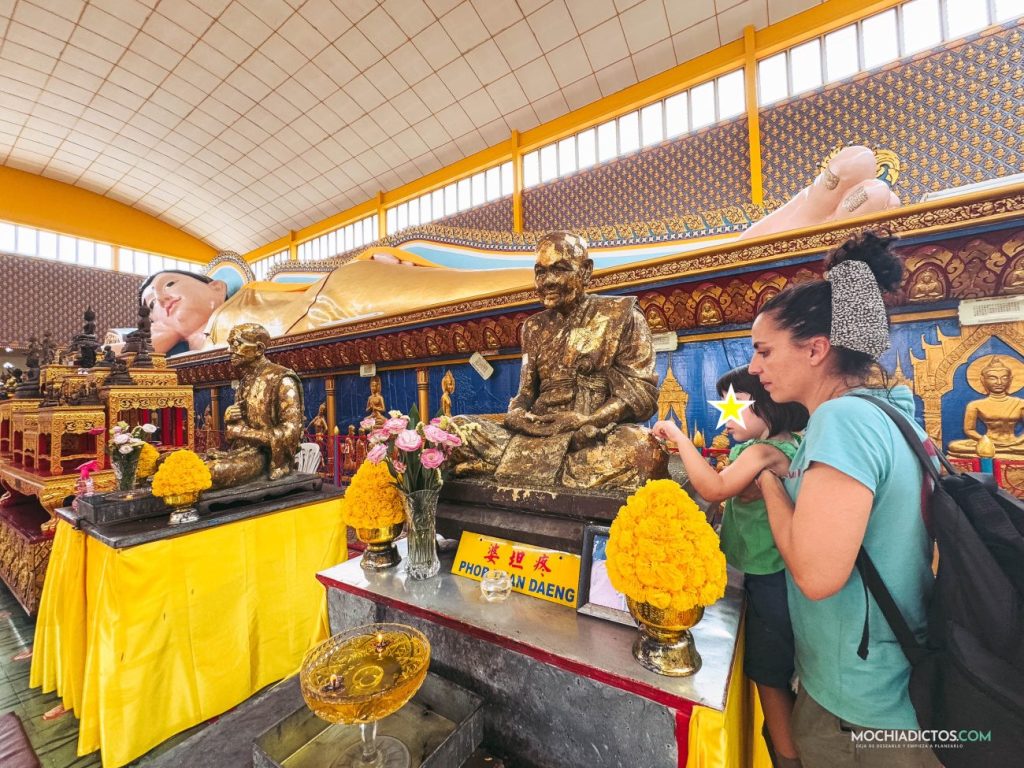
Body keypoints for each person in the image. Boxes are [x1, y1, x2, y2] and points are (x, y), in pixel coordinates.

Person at [747, 231, 939, 767]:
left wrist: (765, 474)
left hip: (863, 705)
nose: (756, 369)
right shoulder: (892, 407)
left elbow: (815, 573)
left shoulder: (843, 419)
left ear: (815, 349)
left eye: (764, 351)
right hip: (887, 679)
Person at [653, 367, 808, 768]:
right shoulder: (760, 450)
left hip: (770, 578)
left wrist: (678, 437)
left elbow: (715, 488)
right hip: (754, 576)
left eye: (733, 406)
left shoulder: (767, 450)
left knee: (770, 676)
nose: (726, 418)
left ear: (764, 406)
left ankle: (787, 757)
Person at [451, 231, 666, 489]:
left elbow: (641, 394)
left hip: (589, 436)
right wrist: (517, 414)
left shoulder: (621, 315)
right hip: (536, 434)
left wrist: (587, 420)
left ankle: (507, 464)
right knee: (456, 429)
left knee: (642, 450)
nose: (548, 281)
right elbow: (525, 393)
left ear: (585, 271)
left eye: (560, 269)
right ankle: (533, 464)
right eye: (540, 272)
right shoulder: (533, 327)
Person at [203, 323, 304, 488]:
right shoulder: (245, 381)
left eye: (236, 345)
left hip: (265, 456)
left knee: (212, 472)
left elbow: (291, 433)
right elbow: (234, 433)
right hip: (241, 452)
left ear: (258, 349)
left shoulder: (282, 379)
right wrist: (230, 419)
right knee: (187, 461)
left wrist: (244, 432)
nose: (229, 351)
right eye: (230, 345)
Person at [947, 356, 1024, 457]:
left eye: (1004, 378)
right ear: (983, 380)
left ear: (1010, 380)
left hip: (1014, 444)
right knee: (954, 446)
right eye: (993, 378)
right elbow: (969, 430)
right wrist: (983, 440)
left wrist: (1017, 442)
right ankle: (999, 451)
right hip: (986, 442)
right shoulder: (975, 405)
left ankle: (999, 451)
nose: (999, 382)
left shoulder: (1020, 403)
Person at [139, 270, 228, 355]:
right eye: (152, 303)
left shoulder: (239, 319)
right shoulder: (171, 353)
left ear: (217, 287)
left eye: (169, 284)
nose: (160, 299)